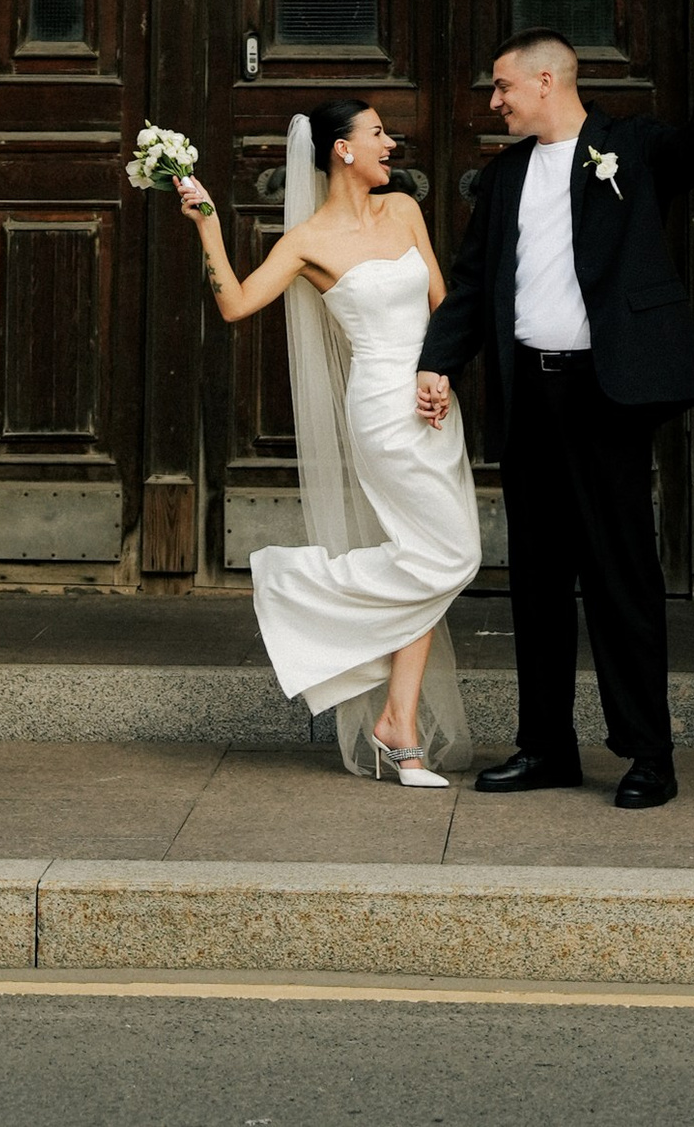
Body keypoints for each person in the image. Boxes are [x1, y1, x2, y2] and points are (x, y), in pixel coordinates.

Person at [414, 0, 694, 811]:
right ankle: (544, 746)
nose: (493, 100)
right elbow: (469, 285)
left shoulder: (626, 150)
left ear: (545, 81)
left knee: (621, 577)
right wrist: (438, 360)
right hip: (530, 393)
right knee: (535, 578)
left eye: (501, 85)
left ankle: (648, 753)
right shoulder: (501, 180)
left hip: (605, 394)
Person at [178, 94, 481, 784]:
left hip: (433, 401)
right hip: (381, 405)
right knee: (449, 554)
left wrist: (441, 373)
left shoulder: (404, 210)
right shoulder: (308, 240)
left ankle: (398, 727)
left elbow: (444, 302)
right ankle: (292, 585)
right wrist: (209, 228)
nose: (390, 144)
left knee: (428, 557)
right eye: (377, 133)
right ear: (343, 148)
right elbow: (235, 302)